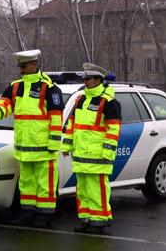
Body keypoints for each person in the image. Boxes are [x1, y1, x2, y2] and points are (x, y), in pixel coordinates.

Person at [0, 49, 65, 227]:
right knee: (26, 183)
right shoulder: (16, 86)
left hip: (44, 147)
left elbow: (56, 117)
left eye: (24, 66)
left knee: (45, 183)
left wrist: (54, 144)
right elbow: (3, 106)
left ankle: (45, 215)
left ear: (34, 65)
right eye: (20, 67)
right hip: (24, 147)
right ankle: (27, 213)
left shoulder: (49, 88)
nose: (21, 70)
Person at [62, 63, 121, 234]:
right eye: (85, 79)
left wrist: (107, 153)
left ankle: (99, 221)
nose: (85, 82)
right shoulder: (81, 100)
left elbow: (113, 130)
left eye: (88, 79)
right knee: (83, 191)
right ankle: (86, 220)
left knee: (97, 191)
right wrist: (67, 145)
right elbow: (73, 125)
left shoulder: (109, 102)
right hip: (81, 156)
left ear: (98, 80)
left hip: (98, 157)